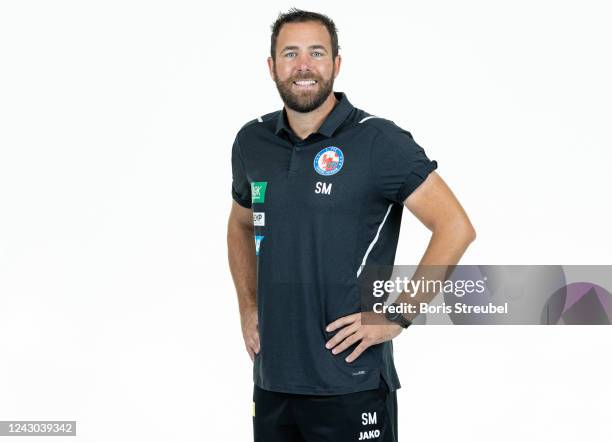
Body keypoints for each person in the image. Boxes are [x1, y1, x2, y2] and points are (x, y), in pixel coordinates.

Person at [227, 8, 476, 442]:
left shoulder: (379, 142)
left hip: (350, 384)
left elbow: (455, 227)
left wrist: (398, 315)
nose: (303, 65)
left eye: (316, 53)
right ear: (272, 67)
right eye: (290, 54)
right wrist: (248, 305)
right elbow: (240, 225)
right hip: (272, 382)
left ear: (336, 64)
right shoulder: (252, 141)